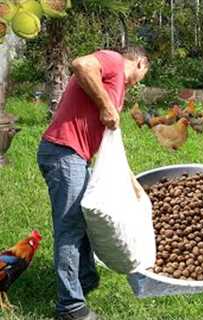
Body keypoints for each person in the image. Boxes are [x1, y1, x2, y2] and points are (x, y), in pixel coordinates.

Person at [37, 47, 149, 320]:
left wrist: (129, 178)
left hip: (77, 156)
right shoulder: (113, 60)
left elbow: (105, 145)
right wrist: (106, 105)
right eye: (144, 73)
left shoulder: (118, 84)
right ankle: (70, 307)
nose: (141, 80)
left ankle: (85, 280)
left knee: (85, 220)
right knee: (71, 228)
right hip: (64, 152)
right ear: (141, 63)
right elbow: (80, 63)